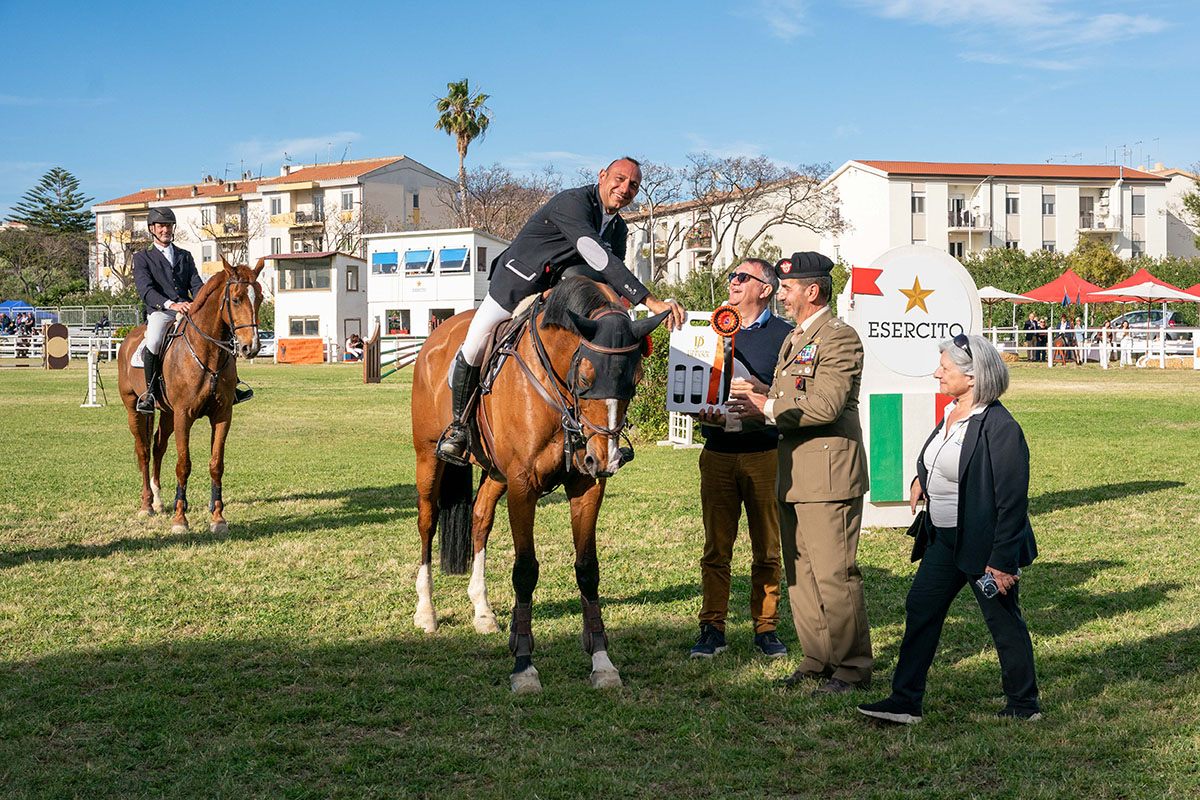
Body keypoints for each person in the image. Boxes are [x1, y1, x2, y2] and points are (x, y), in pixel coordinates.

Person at [435, 157, 685, 465]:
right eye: (619, 179)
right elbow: (598, 257)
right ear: (602, 176)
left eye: (633, 185)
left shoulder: (618, 227)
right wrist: (649, 300)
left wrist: (620, 318)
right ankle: (458, 429)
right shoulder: (573, 203)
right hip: (518, 286)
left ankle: (592, 431)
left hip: (561, 296)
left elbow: (609, 279)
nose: (625, 189)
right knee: (474, 345)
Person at [857, 334, 1040, 725]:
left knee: (1003, 622)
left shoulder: (1001, 427)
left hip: (984, 544)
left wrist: (1002, 561)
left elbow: (1012, 502)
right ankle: (905, 702)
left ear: (973, 378)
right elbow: (938, 455)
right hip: (943, 539)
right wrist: (921, 478)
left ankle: (1024, 705)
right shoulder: (953, 410)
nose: (937, 373)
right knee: (921, 608)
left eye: (946, 368)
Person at [730, 252, 873, 696]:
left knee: (834, 574)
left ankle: (851, 667)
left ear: (812, 292)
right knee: (801, 572)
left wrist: (766, 406)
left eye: (788, 290)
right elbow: (787, 396)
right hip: (794, 475)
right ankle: (817, 658)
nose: (783, 296)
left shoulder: (838, 338)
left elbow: (826, 406)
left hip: (829, 477)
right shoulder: (798, 337)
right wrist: (755, 398)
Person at [688, 258, 793, 659]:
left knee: (768, 547)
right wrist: (698, 409)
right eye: (731, 276)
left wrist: (759, 390)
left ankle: (766, 628)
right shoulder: (708, 331)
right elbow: (688, 391)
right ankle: (712, 627)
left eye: (742, 277)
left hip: (765, 453)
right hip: (716, 453)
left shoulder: (787, 335)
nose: (732, 282)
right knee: (716, 548)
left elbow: (796, 395)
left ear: (765, 289)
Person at [132, 207, 252, 414]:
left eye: (168, 226)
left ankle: (233, 386)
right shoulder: (142, 257)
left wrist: (203, 302)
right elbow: (146, 290)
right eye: (161, 226)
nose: (165, 230)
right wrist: (171, 304)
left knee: (218, 333)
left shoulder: (184, 255)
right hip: (161, 311)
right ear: (152, 229)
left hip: (188, 308)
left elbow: (196, 285)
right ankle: (150, 394)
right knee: (153, 340)